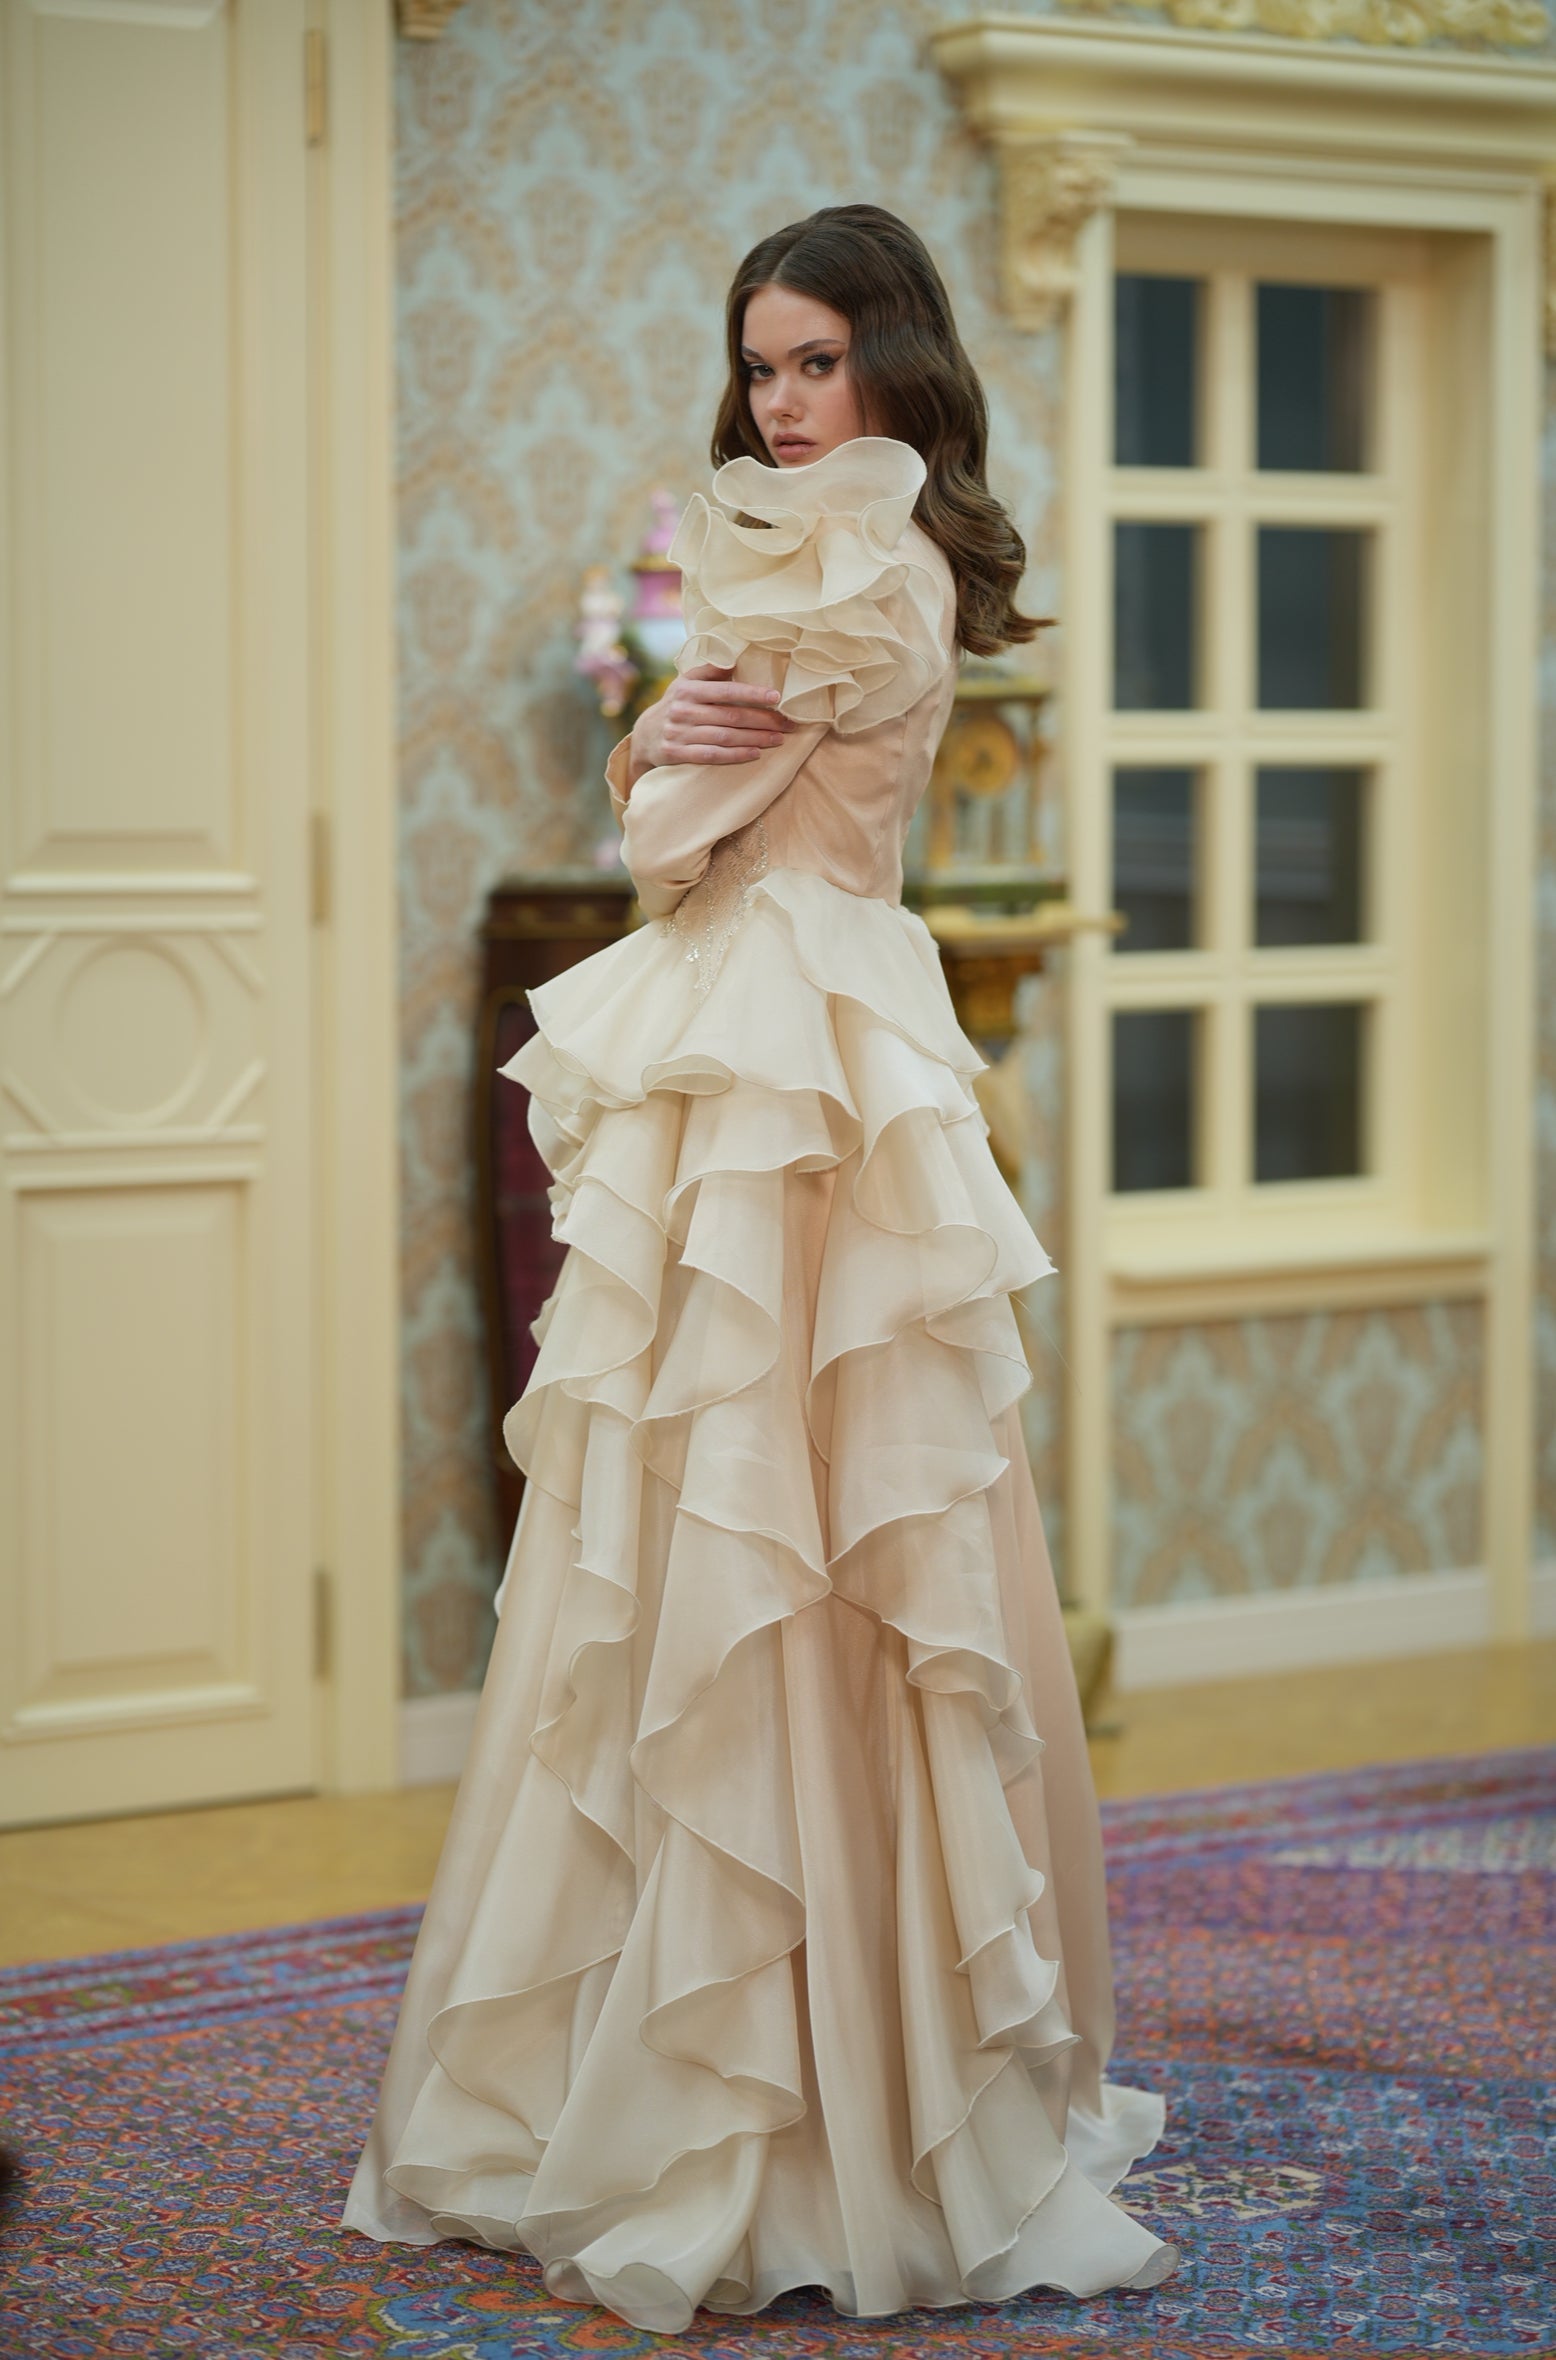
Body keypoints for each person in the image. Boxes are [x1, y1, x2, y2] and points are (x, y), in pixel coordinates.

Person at [342, 202, 1177, 2331]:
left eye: (817, 360)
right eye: (762, 366)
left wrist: (656, 754)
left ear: (894, 360)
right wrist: (661, 749)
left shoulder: (857, 573)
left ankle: (808, 2099)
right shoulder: (859, 555)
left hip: (790, 1047)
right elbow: (665, 801)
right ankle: (755, 2044)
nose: (784, 402)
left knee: (796, 1518)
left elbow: (665, 828)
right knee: (735, 1506)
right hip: (781, 1027)